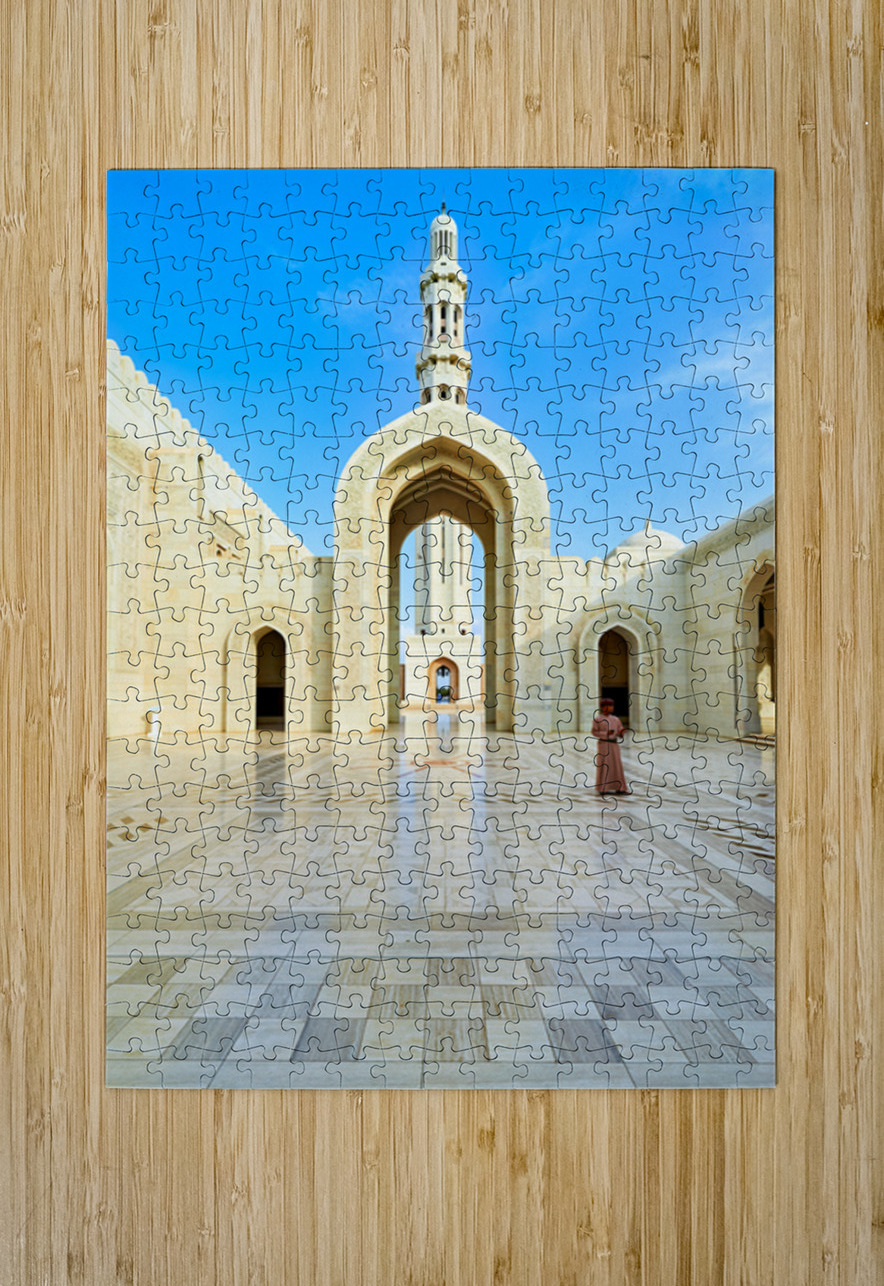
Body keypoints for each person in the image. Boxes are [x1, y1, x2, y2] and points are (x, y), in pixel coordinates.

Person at [590, 698, 631, 795]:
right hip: (604, 745)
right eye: (609, 706)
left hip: (614, 745)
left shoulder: (615, 719)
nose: (612, 708)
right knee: (605, 765)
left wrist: (621, 732)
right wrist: (606, 733)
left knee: (616, 766)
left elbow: (620, 729)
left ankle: (620, 788)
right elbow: (594, 732)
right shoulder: (598, 719)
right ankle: (603, 788)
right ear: (604, 707)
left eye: (612, 706)